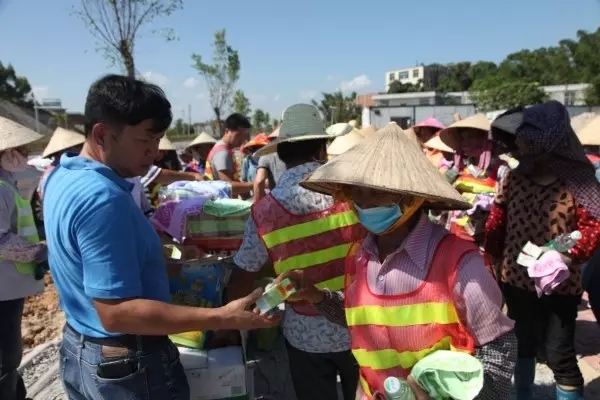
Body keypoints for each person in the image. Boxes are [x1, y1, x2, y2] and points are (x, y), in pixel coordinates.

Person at [42, 74, 279, 400]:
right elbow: (117, 313)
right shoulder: (103, 198)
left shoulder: (62, 175)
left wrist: (165, 261)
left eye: (158, 140)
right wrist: (222, 317)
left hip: (81, 346)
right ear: (102, 134)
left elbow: (89, 261)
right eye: (145, 140)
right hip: (127, 363)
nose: (154, 152)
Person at [278, 122, 516, 400]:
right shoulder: (361, 254)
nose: (364, 203)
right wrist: (317, 296)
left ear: (411, 197)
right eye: (357, 191)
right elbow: (365, 318)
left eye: (378, 191)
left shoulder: (459, 263)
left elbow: (499, 351)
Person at [229, 104, 366, 400]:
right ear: (322, 151)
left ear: (280, 155)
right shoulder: (350, 194)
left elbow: (243, 273)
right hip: (359, 322)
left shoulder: (264, 211)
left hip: (304, 335)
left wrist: (227, 324)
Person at [485, 102, 600, 400]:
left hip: (560, 284)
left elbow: (592, 228)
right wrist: (493, 257)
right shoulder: (514, 178)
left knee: (559, 353)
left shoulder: (579, 181)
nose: (520, 143)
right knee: (522, 343)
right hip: (516, 279)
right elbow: (498, 222)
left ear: (546, 142)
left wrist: (563, 253)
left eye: (527, 138)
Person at [0, 117, 48, 400]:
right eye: (20, 150)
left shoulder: (8, 183)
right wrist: (39, 252)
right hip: (3, 288)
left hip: (8, 286)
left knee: (8, 358)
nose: (26, 155)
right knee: (5, 358)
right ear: (7, 153)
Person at [438, 114, 505, 246]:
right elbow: (441, 192)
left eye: (470, 137)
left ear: (483, 138)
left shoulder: (500, 168)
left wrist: (486, 202)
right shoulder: (458, 167)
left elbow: (504, 201)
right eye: (463, 138)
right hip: (456, 236)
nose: (465, 142)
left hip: (486, 239)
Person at [204, 113, 253, 196]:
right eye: (239, 135)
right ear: (227, 131)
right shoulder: (222, 153)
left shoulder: (224, 148)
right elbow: (228, 186)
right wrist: (254, 185)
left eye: (244, 136)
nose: (242, 139)